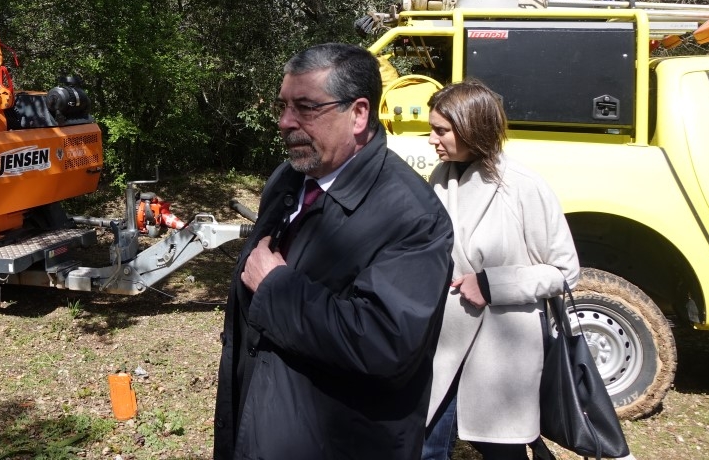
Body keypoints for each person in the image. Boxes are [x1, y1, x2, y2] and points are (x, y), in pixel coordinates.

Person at [214, 43, 455, 460]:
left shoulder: (413, 216)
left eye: (306, 108)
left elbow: (384, 344)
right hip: (262, 427)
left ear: (358, 114)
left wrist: (276, 287)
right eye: (283, 106)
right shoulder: (288, 180)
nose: (285, 122)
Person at [421, 80, 581, 460]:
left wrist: (494, 284)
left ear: (471, 127)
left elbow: (564, 270)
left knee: (501, 451)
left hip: (500, 352)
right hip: (443, 341)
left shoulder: (523, 187)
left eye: (441, 130)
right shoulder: (440, 180)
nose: (431, 140)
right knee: (427, 444)